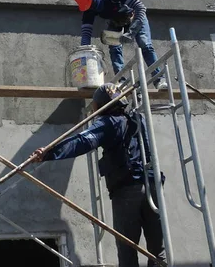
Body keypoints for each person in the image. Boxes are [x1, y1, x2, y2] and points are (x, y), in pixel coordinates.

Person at [32, 83, 166, 267]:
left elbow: (83, 141)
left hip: (127, 190)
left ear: (101, 105)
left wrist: (49, 152)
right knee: (158, 251)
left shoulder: (109, 122)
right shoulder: (139, 119)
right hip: (153, 186)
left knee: (127, 250)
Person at [72, 0, 167, 90]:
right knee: (114, 48)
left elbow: (140, 7)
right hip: (117, 21)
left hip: (135, 16)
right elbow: (86, 36)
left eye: (92, 2)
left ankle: (159, 79)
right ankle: (122, 81)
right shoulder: (89, 9)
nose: (92, 6)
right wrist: (84, 56)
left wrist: (132, 31)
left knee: (144, 44)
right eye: (89, 5)